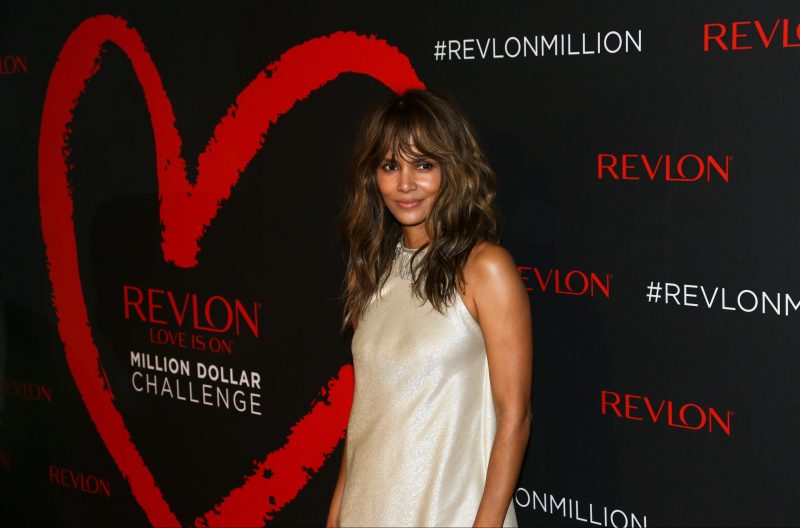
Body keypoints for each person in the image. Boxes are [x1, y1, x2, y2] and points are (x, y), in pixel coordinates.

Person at [327, 89, 532, 527]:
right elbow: (365, 415)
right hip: (368, 509)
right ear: (373, 177)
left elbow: (513, 416)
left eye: (423, 165)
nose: (405, 184)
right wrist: (337, 513)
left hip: (448, 512)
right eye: (390, 166)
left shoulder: (484, 269)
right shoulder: (371, 272)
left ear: (450, 169)